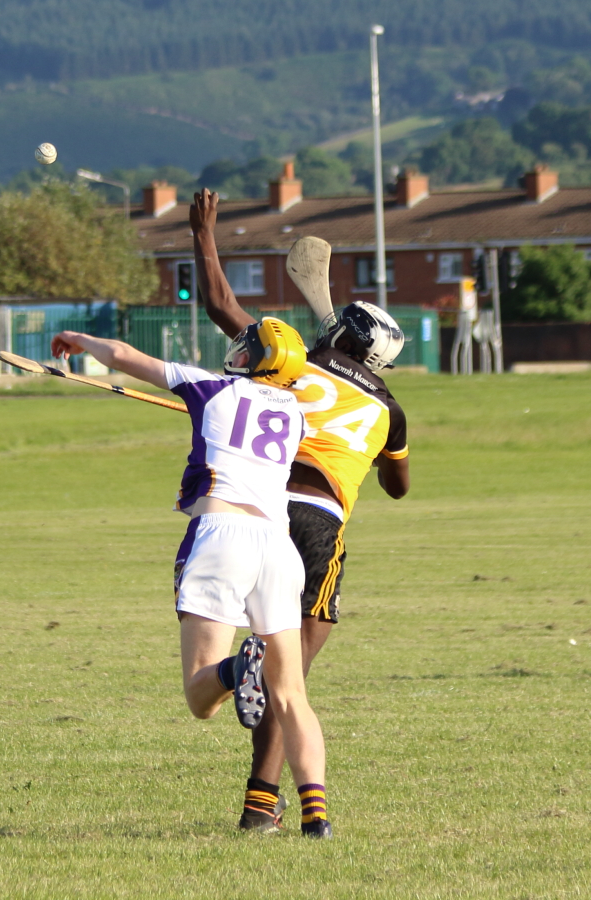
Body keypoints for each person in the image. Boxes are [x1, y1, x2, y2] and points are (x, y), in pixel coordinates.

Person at [51, 320, 333, 838]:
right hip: (278, 545)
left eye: (248, 349)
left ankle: (235, 671)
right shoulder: (297, 416)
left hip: (222, 534)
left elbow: (121, 354)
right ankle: (317, 819)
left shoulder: (210, 386)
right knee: (291, 692)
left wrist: (79, 341)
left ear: (257, 358)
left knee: (200, 696)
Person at [190, 189, 410, 833]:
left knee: (266, 669)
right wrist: (371, 444)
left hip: (255, 513)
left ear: (334, 332)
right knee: (292, 675)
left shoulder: (295, 364)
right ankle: (264, 806)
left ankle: (263, 804)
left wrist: (205, 233)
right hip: (319, 523)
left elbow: (221, 307)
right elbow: (398, 486)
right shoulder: (390, 410)